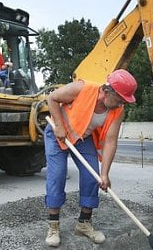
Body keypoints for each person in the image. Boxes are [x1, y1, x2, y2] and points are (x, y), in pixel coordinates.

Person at [44, 69, 137, 247]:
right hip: (58, 134)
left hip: (82, 138)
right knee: (57, 174)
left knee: (92, 175)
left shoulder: (117, 110)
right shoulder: (83, 88)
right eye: (120, 100)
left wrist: (105, 174)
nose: (121, 104)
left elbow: (110, 141)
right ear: (108, 92)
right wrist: (58, 126)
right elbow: (52, 98)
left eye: (124, 101)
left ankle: (83, 224)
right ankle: (53, 225)